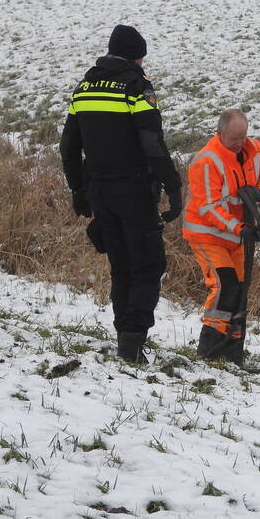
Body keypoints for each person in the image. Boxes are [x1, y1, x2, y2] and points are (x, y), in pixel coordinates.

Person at [60, 24, 182, 363]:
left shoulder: (84, 88)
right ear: (135, 56)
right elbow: (152, 144)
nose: (143, 64)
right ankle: (132, 342)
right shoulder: (135, 87)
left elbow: (69, 146)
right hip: (134, 192)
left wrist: (78, 190)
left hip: (100, 192)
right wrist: (173, 185)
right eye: (141, 58)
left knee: (121, 267)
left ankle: (123, 336)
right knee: (148, 265)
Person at [183, 109, 260, 363]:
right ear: (219, 133)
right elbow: (209, 207)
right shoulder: (206, 161)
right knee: (225, 286)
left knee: (240, 291)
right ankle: (210, 349)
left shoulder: (253, 149)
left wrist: (258, 193)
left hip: (237, 237)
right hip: (208, 235)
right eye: (234, 139)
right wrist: (239, 228)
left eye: (243, 137)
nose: (239, 144)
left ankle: (232, 351)